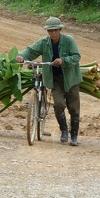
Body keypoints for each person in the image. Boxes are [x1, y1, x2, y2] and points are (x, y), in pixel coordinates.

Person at [16, 16, 82, 146]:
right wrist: (21, 56)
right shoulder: (44, 42)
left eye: (55, 30)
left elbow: (76, 56)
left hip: (71, 78)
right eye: (50, 31)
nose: (53, 33)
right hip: (55, 79)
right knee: (58, 105)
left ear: (60, 29)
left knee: (74, 108)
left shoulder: (69, 40)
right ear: (47, 32)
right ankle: (64, 131)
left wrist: (64, 60)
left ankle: (74, 136)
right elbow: (31, 50)